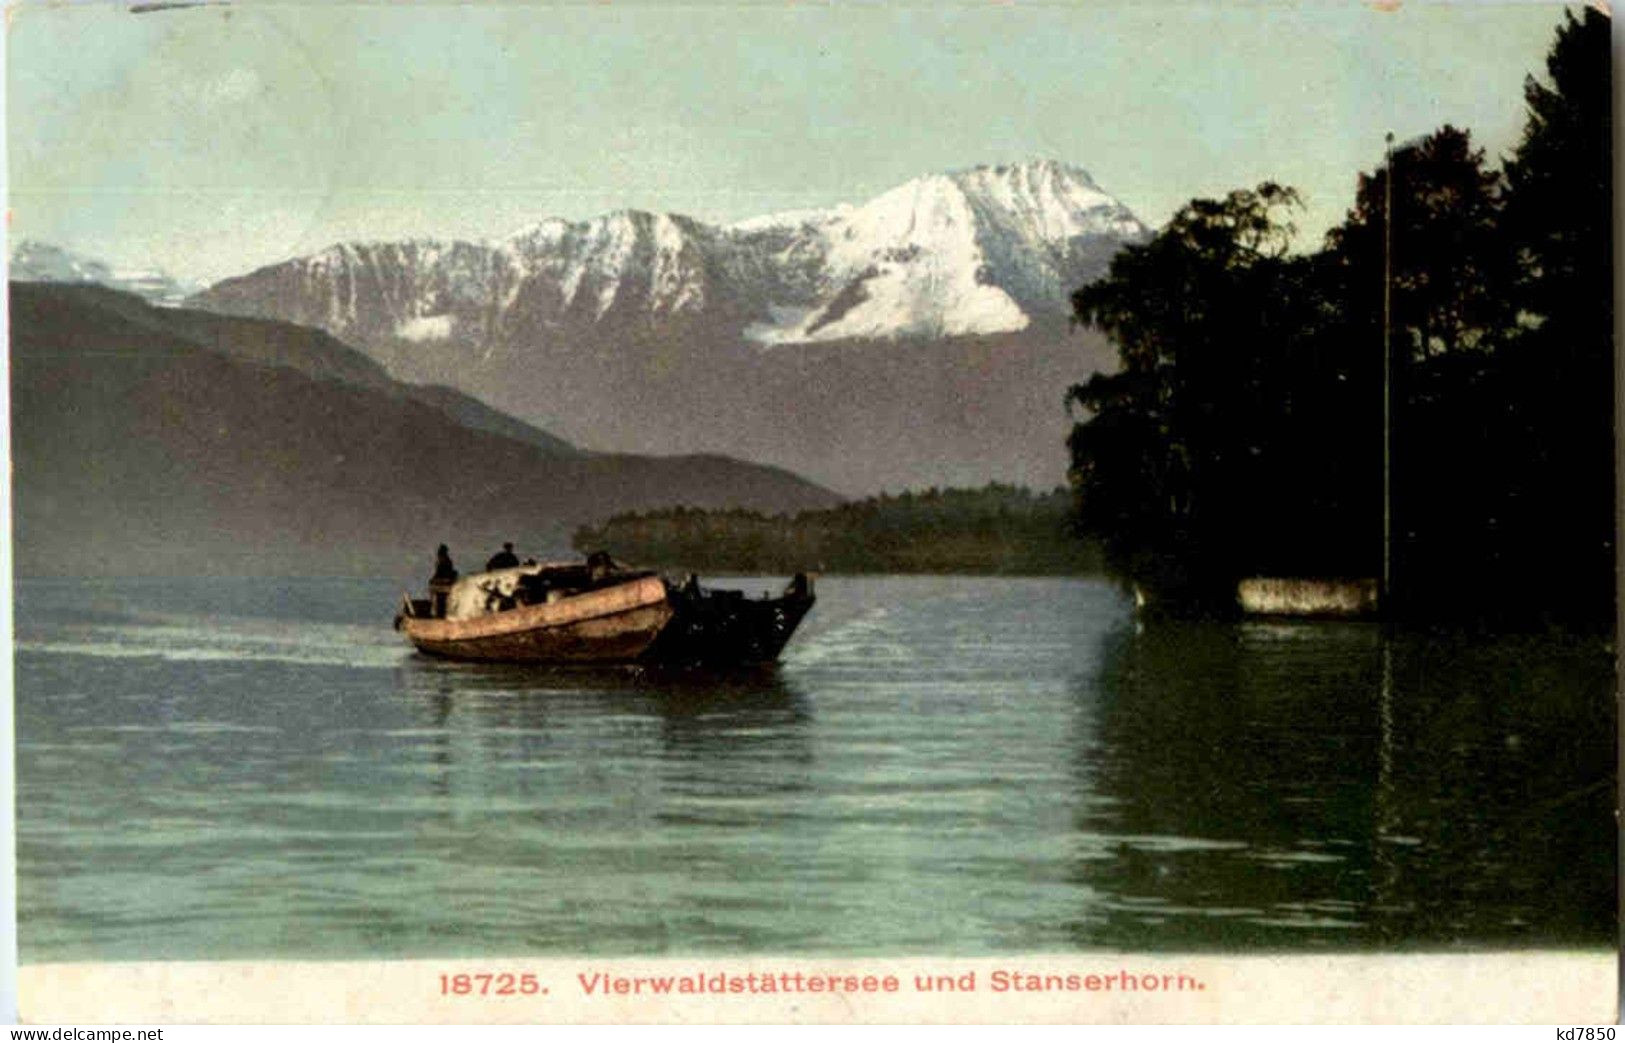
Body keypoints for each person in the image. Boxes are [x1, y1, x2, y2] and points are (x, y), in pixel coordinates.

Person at [429, 545, 457, 618]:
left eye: (440, 554)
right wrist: (433, 580)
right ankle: (439, 614)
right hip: (441, 585)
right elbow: (437, 574)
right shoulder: (441, 562)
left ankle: (441, 615)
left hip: (444, 585)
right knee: (439, 601)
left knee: (442, 601)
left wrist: (436, 580)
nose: (438, 556)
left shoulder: (446, 562)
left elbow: (445, 574)